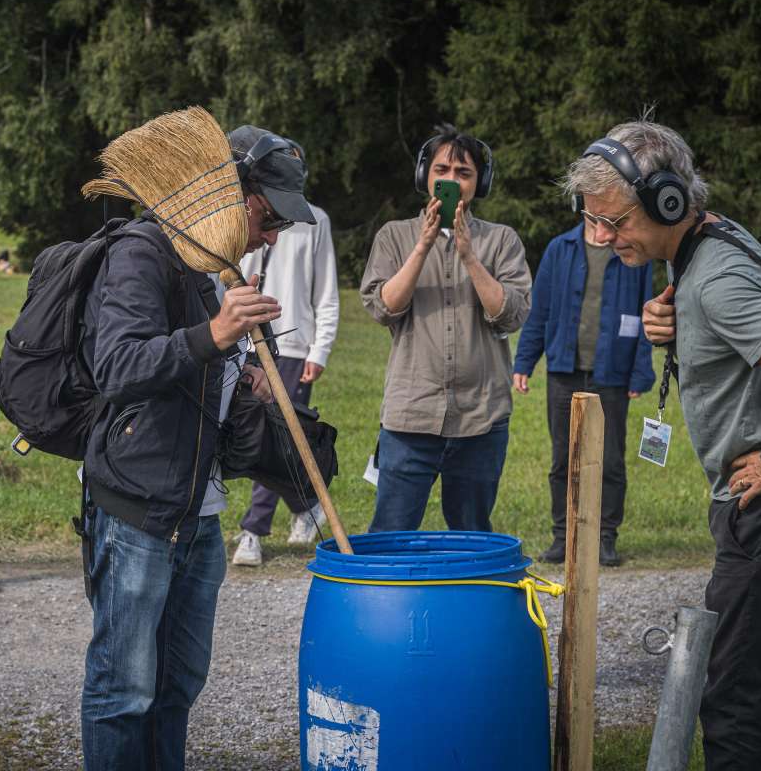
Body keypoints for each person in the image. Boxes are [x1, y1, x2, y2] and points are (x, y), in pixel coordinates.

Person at [565, 118, 761, 770]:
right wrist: (675, 326)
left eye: (615, 223)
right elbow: (730, 323)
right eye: (595, 223)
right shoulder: (706, 246)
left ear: (668, 200)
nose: (603, 238)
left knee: (730, 692)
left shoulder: (716, 276)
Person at [79, 123, 314, 770]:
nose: (272, 237)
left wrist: (246, 382)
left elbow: (200, 381)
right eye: (268, 218)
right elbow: (119, 366)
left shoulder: (214, 268)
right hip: (138, 514)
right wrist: (214, 335)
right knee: (123, 692)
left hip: (199, 515)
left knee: (177, 688)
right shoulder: (142, 251)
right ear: (228, 193)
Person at [360, 124, 531, 533]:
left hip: (481, 418)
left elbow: (511, 314)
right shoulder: (394, 236)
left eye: (464, 173)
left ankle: (470, 599)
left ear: (479, 182)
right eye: (442, 170)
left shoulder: (502, 241)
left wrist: (470, 256)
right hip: (410, 418)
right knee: (391, 534)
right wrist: (423, 246)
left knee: (473, 534)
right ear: (425, 176)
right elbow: (383, 307)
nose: (451, 180)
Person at [512, 213, 655, 566]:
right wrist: (524, 362)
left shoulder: (633, 253)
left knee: (610, 460)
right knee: (563, 459)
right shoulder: (559, 249)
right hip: (564, 370)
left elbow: (647, 312)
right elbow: (539, 311)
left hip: (613, 373)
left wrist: (640, 371)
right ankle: (563, 536)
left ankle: (606, 537)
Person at [231, 200, 339, 566]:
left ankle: (254, 530)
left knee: (272, 435)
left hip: (291, 344)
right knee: (252, 435)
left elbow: (326, 289)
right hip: (240, 339)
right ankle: (308, 505)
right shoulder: (239, 211)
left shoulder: (314, 220)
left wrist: (319, 350)